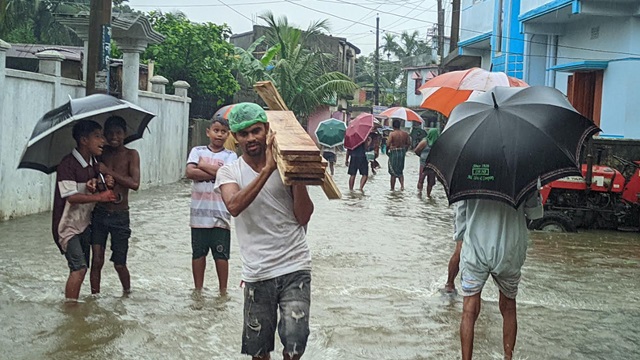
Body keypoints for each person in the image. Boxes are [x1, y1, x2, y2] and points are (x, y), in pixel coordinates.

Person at [215, 103, 314, 360]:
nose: (251, 138)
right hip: (257, 272)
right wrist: (267, 169)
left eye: (256, 131)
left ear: (267, 130)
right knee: (258, 352)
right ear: (234, 138)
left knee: (295, 344)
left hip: (295, 265)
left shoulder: (286, 167)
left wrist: (296, 177)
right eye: (243, 134)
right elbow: (234, 206)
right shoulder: (229, 171)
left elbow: (303, 216)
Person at [456, 191, 543, 360]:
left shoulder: (469, 169)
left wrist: (459, 238)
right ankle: (508, 356)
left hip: (475, 248)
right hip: (509, 248)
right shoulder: (524, 168)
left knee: (469, 309)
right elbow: (534, 212)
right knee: (509, 306)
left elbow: (461, 212)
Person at [52, 120, 116, 301]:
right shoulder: (67, 165)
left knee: (83, 268)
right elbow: (71, 197)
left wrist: (103, 182)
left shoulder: (95, 163)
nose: (103, 140)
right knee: (79, 268)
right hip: (67, 226)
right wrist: (99, 197)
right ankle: (71, 312)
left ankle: (75, 306)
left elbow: (98, 184)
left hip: (85, 224)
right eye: (97, 136)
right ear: (83, 140)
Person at [185, 117, 238, 294]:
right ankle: (197, 290)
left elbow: (228, 175)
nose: (219, 134)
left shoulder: (231, 155)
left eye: (223, 131)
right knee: (198, 254)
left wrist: (203, 166)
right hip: (198, 216)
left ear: (228, 135)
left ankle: (223, 292)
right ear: (208, 132)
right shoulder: (197, 150)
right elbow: (190, 172)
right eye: (216, 130)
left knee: (221, 256)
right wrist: (215, 173)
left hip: (221, 215)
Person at [90, 116, 141, 296]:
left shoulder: (131, 154)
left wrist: (110, 172)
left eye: (118, 133)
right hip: (100, 213)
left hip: (120, 216)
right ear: (104, 135)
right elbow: (94, 179)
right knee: (96, 260)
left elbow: (135, 184)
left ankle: (127, 294)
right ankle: (94, 298)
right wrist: (100, 181)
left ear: (125, 134)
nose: (114, 137)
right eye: (110, 133)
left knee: (119, 263)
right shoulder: (100, 154)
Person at [414, 128, 440, 197]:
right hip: (428, 164)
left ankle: (424, 194)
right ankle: (424, 194)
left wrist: (422, 156)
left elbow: (416, 150)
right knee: (426, 180)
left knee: (425, 180)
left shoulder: (434, 143)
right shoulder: (427, 142)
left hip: (428, 164)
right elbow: (416, 150)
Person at [387, 119, 411, 191]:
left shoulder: (392, 134)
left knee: (393, 172)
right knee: (400, 170)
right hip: (402, 152)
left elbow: (388, 144)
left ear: (393, 126)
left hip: (394, 152)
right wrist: (404, 150)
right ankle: (402, 186)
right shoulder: (405, 134)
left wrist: (387, 152)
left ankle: (392, 188)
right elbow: (409, 143)